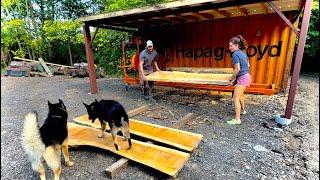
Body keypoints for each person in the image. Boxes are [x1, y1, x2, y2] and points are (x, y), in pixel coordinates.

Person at [227, 35, 251, 125]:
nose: (229, 48)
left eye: (231, 46)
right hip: (246, 76)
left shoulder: (235, 54)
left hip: (243, 78)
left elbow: (237, 69)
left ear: (236, 45)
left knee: (235, 98)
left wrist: (231, 79)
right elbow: (248, 66)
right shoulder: (243, 53)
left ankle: (237, 119)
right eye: (229, 46)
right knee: (240, 95)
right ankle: (243, 110)